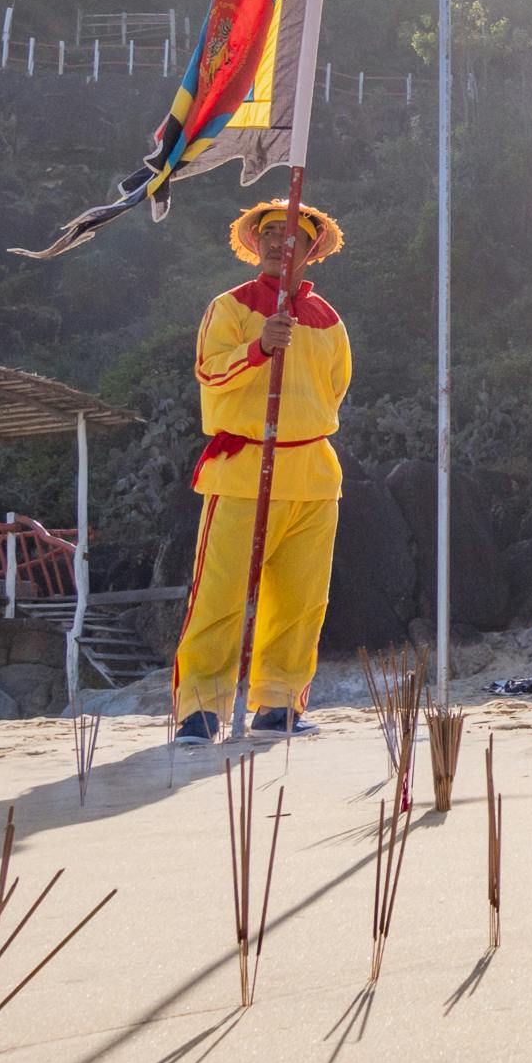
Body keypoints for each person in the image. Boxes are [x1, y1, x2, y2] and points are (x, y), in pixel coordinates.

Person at [172, 199, 353, 745]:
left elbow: (337, 387)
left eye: (292, 235)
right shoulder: (230, 307)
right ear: (256, 243)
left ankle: (279, 703)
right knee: (219, 594)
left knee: (301, 600)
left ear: (311, 248)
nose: (280, 243)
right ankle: (200, 710)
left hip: (312, 470)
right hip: (244, 466)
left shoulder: (329, 320)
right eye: (270, 233)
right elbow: (209, 368)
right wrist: (257, 349)